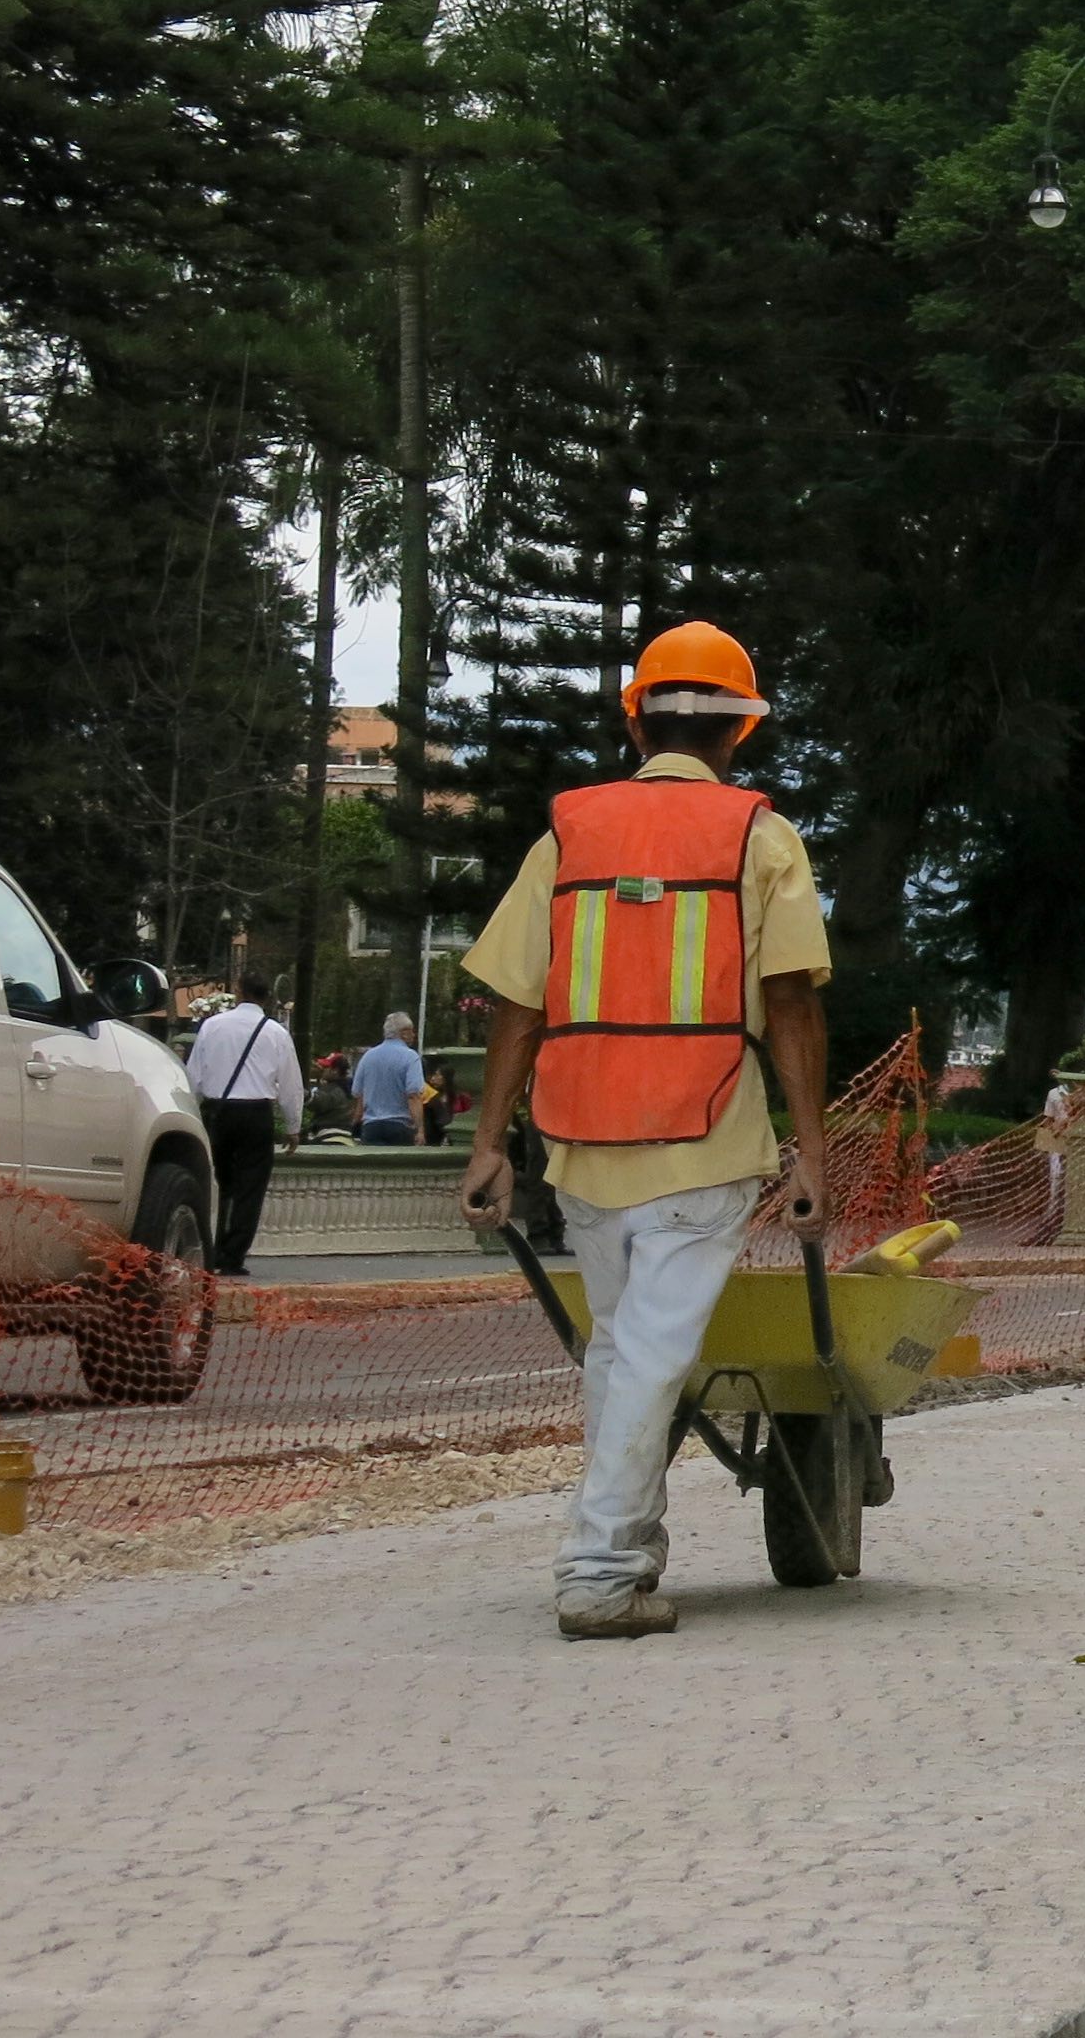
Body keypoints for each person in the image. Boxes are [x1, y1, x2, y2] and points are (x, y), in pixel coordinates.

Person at [458, 621, 835, 1642]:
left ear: (636, 721)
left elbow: (515, 1006)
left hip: (579, 1135)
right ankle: (597, 1568)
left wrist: (490, 1142)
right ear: (739, 734)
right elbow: (791, 1002)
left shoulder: (568, 834)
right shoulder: (759, 837)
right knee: (652, 1355)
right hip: (702, 1128)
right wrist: (809, 1150)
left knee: (622, 1348)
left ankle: (630, 1554)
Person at [181, 975, 300, 1276]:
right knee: (250, 1187)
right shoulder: (275, 1032)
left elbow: (194, 1074)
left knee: (215, 1182)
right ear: (268, 997)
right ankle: (233, 1255)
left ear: (238, 992)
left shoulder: (212, 1026)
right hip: (256, 1114)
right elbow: (290, 1083)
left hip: (217, 1111)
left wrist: (190, 1111)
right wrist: (292, 1124)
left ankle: (208, 1246)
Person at [352, 1012, 427, 1146]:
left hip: (371, 1126)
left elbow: (359, 1095)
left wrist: (354, 1124)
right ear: (403, 1033)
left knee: (373, 1166)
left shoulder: (368, 1057)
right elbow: (413, 1095)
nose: (414, 1035)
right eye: (411, 1031)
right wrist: (420, 1129)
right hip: (400, 1126)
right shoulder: (410, 1057)